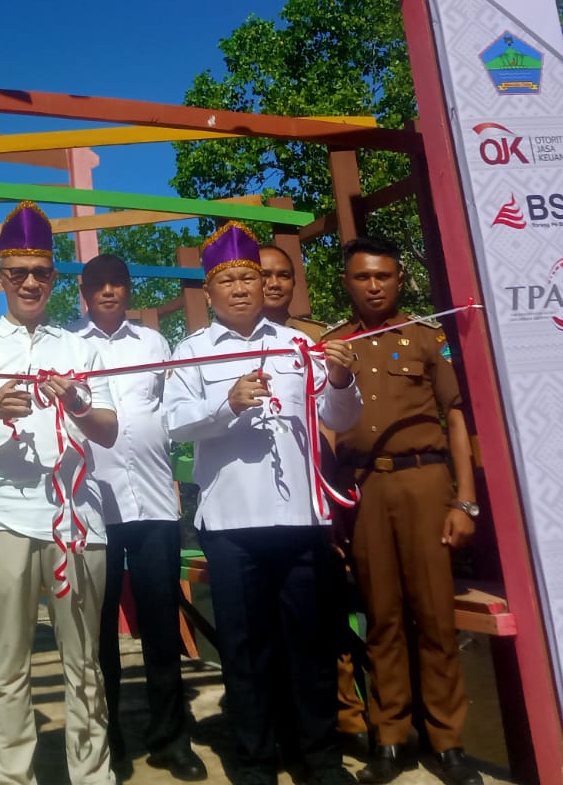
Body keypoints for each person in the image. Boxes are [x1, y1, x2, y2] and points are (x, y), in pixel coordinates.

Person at [163, 223, 361, 785]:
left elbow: (340, 417)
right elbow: (174, 424)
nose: (241, 288)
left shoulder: (299, 346)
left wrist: (340, 379)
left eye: (248, 278)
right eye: (227, 280)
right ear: (209, 291)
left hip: (300, 520)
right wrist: (226, 404)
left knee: (310, 644)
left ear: (264, 284)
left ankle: (320, 757)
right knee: (245, 649)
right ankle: (254, 760)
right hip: (232, 524)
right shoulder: (192, 351)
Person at [0, 201, 121, 785]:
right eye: (17, 272)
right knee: (8, 663)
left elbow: (108, 430)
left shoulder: (80, 348)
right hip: (1, 517)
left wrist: (77, 402)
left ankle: (91, 774)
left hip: (75, 520)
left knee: (84, 661)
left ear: (54, 278)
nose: (29, 282)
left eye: (41, 272)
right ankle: (13, 776)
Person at [325, 236, 483, 785]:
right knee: (382, 615)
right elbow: (324, 429)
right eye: (362, 277)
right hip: (365, 489)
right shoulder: (332, 346)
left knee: (435, 616)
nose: (374, 286)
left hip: (424, 482)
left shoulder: (425, 336)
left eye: (383, 276)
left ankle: (448, 740)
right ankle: (389, 735)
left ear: (398, 279)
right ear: (346, 283)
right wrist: (332, 506)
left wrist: (465, 500)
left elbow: (455, 417)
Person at [69, 254, 205, 781]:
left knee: (160, 624)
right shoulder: (69, 347)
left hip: (153, 503)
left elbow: (174, 410)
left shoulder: (154, 344)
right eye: (98, 285)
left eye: (117, 283)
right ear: (84, 293)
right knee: (98, 629)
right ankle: (109, 740)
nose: (109, 291)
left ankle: (170, 738)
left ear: (128, 289)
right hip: (94, 506)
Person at [259, 244, 369, 745]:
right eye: (264, 274)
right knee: (264, 618)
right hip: (252, 508)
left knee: (324, 610)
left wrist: (334, 504)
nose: (274, 284)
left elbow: (335, 425)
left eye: (284, 274)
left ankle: (345, 716)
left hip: (317, 498)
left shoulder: (318, 341)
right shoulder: (222, 344)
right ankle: (280, 722)